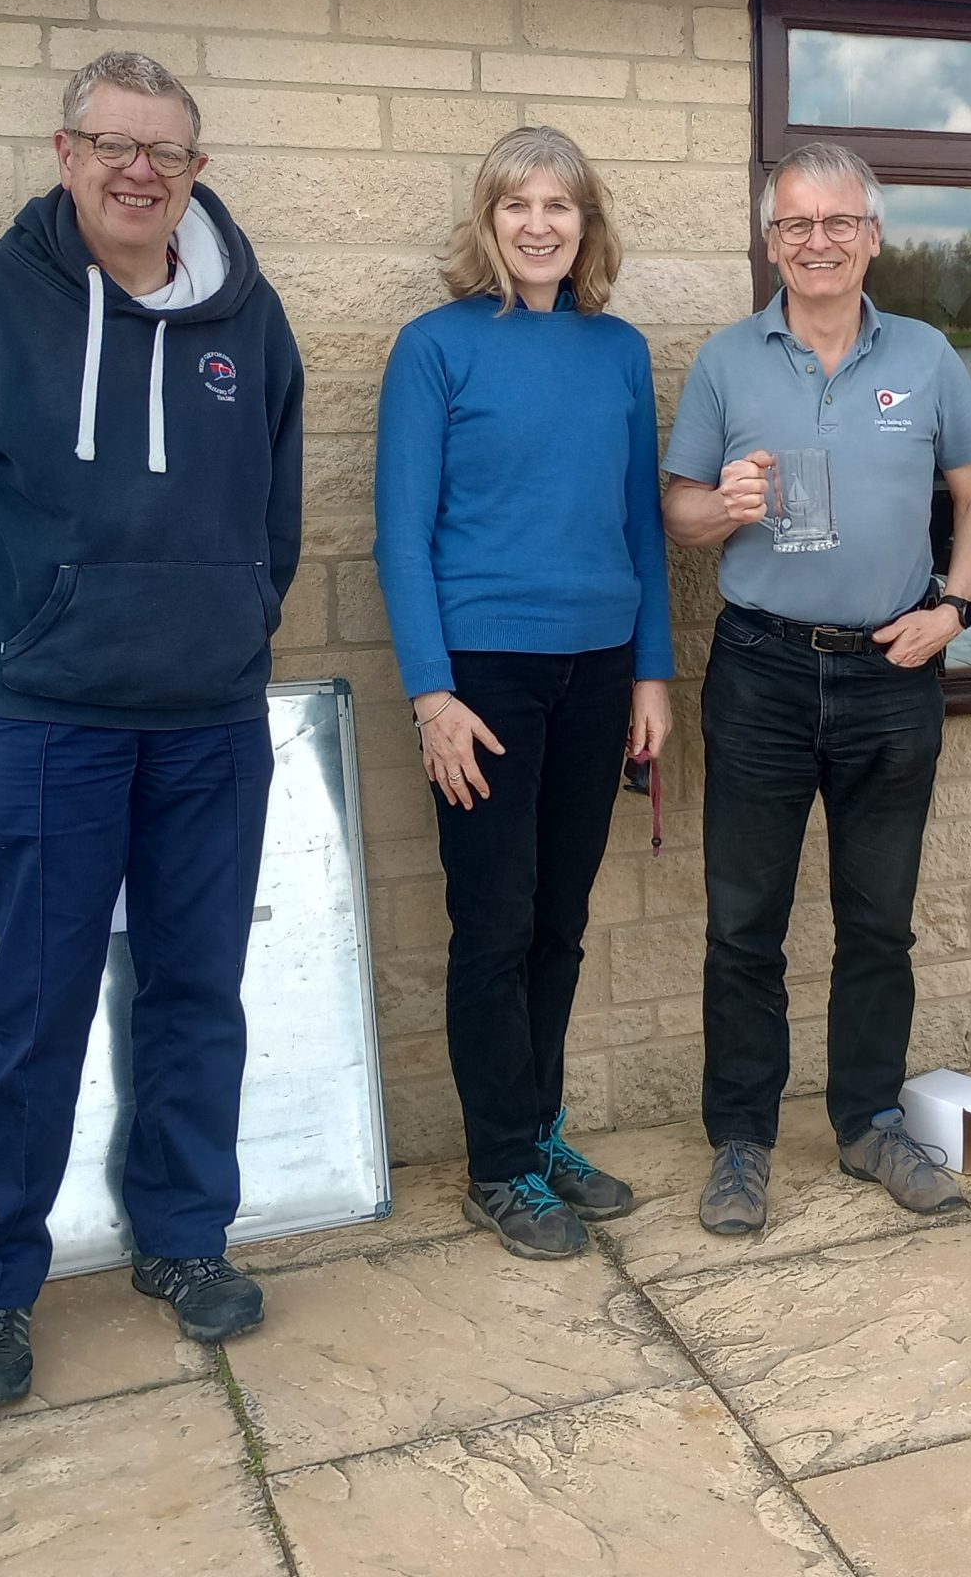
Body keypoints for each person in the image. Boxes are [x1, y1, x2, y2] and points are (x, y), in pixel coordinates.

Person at [0, 50, 302, 1410]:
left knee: (195, 994)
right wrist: (0, 649)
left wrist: (237, 622)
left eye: (164, 151)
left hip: (210, 723)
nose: (138, 171)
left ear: (195, 170)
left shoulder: (251, 319)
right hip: (53, 724)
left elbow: (278, 508)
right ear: (65, 155)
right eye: (111, 144)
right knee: (35, 1005)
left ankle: (182, 1236)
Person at [662, 141, 971, 1236]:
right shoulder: (727, 361)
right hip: (760, 668)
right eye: (796, 224)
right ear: (770, 242)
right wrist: (722, 507)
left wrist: (954, 608)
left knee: (879, 924)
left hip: (891, 672)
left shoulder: (928, 354)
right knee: (742, 926)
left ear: (873, 236)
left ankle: (868, 1122)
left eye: (839, 222)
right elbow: (677, 511)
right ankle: (741, 1141)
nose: (819, 241)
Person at [373, 127, 673, 1261]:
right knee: (494, 924)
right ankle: (498, 1164)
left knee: (560, 920)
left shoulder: (619, 350)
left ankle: (540, 1130)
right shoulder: (434, 347)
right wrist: (431, 695)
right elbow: (400, 535)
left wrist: (652, 673)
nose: (539, 225)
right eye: (517, 205)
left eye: (559, 205)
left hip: (599, 669)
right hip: (483, 678)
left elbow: (641, 525)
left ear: (586, 224)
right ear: (487, 220)